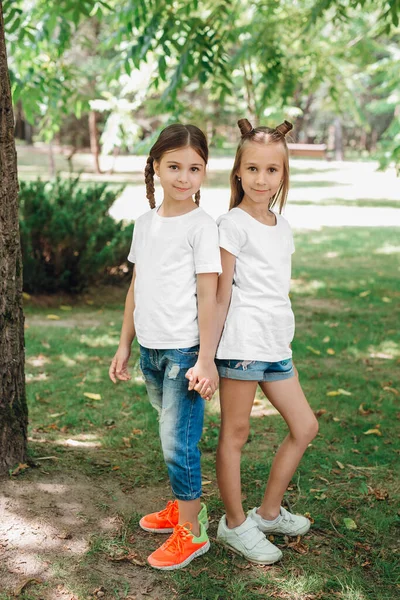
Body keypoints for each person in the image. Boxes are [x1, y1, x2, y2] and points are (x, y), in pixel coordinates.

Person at [189, 118, 319, 564]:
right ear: (238, 172)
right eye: (253, 169)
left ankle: (266, 513)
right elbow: (221, 296)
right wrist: (207, 357)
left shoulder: (281, 226)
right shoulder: (232, 224)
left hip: (275, 345)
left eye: (272, 170)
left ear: (283, 175)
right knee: (237, 432)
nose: (262, 179)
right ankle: (235, 524)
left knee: (305, 427)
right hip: (242, 346)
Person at [109, 124, 221, 570]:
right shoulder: (145, 224)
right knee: (170, 431)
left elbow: (207, 296)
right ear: (155, 166)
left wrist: (205, 360)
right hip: (150, 351)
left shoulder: (202, 227)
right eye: (174, 166)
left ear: (204, 173)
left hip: (184, 355)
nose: (183, 177)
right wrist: (124, 344)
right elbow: (138, 285)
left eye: (194, 168)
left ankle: (192, 532)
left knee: (179, 443)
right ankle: (184, 504)